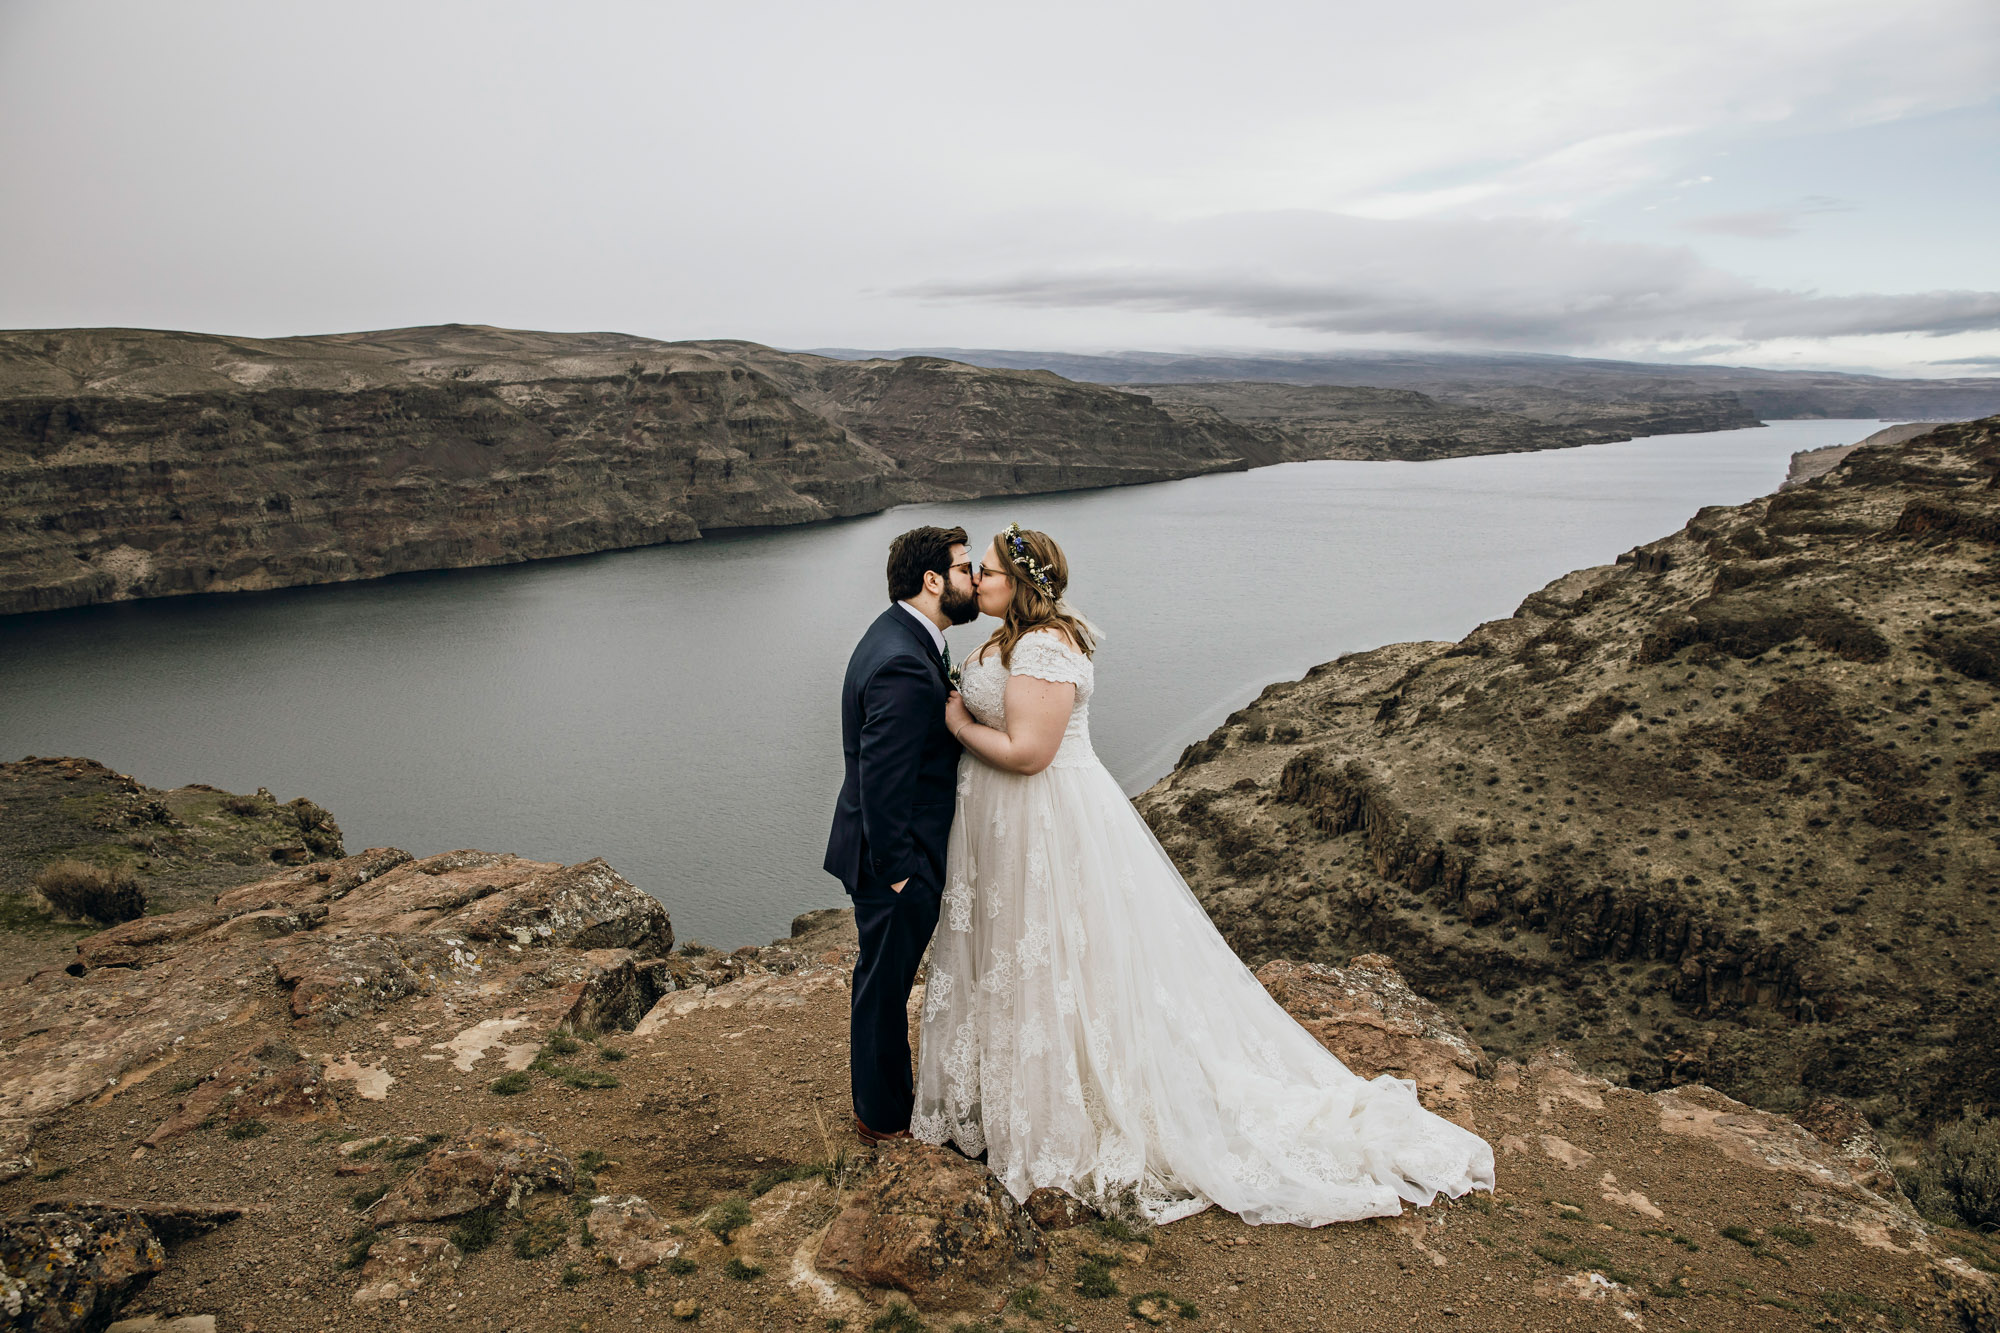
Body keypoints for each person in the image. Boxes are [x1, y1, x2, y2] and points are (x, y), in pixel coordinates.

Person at [912, 523, 1495, 1225]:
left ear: (1023, 582)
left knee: (1064, 959)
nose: (979, 580)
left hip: (1045, 821)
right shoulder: (1006, 640)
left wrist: (957, 726)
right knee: (1022, 958)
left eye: (991, 571)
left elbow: (1031, 751)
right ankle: (1007, 1097)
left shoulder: (1044, 645)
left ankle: (1068, 1113)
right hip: (1006, 829)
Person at [824, 525, 980, 1144]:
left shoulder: (901, 637)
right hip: (895, 862)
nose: (974, 579)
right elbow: (883, 781)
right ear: (933, 580)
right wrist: (899, 870)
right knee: (883, 990)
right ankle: (883, 1119)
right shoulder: (900, 662)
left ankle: (882, 1106)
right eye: (966, 568)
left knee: (879, 982)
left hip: (892, 855)